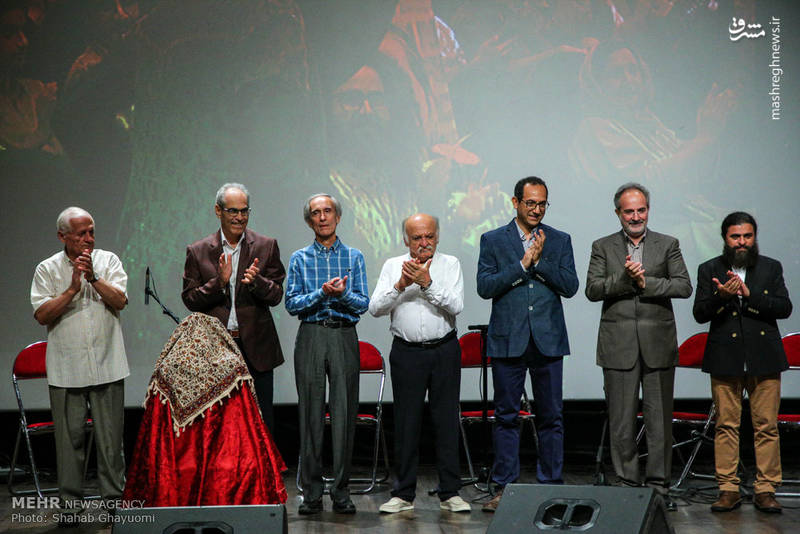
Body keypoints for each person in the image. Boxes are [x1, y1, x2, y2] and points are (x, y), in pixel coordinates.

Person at [585, 182, 692, 510]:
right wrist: (625, 280)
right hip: (618, 345)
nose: (636, 216)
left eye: (641, 210)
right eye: (629, 211)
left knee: (659, 421)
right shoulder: (603, 246)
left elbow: (684, 286)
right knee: (621, 421)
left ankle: (659, 488)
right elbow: (592, 289)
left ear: (648, 210)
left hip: (658, 343)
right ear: (618, 212)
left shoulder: (667, 244)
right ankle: (628, 485)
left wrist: (646, 284)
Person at [477, 176, 579, 512]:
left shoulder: (560, 240)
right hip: (509, 339)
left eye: (542, 203)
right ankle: (504, 487)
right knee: (506, 416)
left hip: (548, 339)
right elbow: (485, 286)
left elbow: (570, 286)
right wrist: (522, 265)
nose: (536, 209)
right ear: (515, 202)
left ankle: (550, 485)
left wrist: (540, 262)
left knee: (552, 416)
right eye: (530, 203)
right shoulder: (492, 239)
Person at [30, 207, 128, 527]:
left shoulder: (108, 261)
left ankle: (114, 503)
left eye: (91, 231)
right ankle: (71, 508)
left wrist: (93, 278)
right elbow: (43, 315)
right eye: (81, 233)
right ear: (62, 237)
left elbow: (120, 301)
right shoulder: (47, 269)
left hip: (107, 363)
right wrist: (72, 289)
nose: (89, 239)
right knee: (69, 443)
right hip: (67, 368)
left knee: (110, 441)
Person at [369, 213, 470, 513]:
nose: (424, 243)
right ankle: (402, 494)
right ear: (406, 240)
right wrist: (401, 284)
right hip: (407, 353)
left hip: (444, 350)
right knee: (406, 423)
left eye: (429, 236)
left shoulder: (450, 264)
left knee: (446, 421)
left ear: (437, 236)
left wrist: (427, 283)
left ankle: (450, 492)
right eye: (417, 238)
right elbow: (374, 308)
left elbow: (456, 305)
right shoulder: (391, 266)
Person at [693, 212, 792, 514]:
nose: (742, 242)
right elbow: (699, 313)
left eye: (747, 236)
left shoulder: (770, 267)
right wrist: (722, 297)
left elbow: (784, 308)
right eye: (736, 237)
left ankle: (765, 489)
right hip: (726, 357)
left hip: (764, 356)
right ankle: (728, 488)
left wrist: (750, 296)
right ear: (725, 238)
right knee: (726, 425)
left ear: (754, 237)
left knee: (766, 426)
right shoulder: (710, 268)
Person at [285, 193, 369, 515]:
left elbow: (363, 304)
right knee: (310, 415)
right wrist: (321, 293)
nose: (322, 217)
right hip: (312, 334)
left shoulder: (354, 256)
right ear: (310, 220)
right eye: (316, 213)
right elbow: (292, 304)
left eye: (328, 211)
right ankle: (312, 493)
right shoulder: (300, 258)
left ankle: (342, 492)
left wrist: (343, 294)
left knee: (345, 414)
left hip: (344, 334)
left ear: (337, 216)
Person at [182, 183, 286, 432]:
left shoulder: (266, 245)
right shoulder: (198, 251)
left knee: (260, 419)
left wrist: (257, 282)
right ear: (218, 211)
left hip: (256, 348)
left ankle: (263, 471)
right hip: (217, 348)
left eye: (244, 211)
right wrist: (219, 282)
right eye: (233, 211)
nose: (240, 217)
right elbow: (190, 299)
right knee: (218, 421)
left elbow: (276, 295)